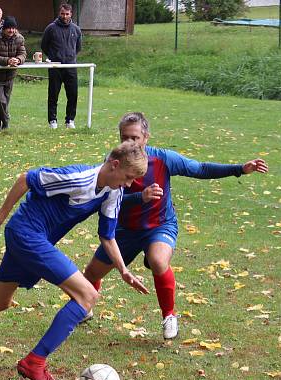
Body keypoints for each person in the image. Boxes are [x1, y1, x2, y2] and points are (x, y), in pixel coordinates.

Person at [0, 141, 150, 380]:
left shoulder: (113, 192)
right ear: (114, 164)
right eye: (129, 177)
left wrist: (123, 270)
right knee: (87, 294)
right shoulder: (78, 178)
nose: (130, 185)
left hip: (35, 239)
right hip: (26, 233)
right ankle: (35, 362)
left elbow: (107, 236)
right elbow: (26, 179)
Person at [82, 112, 269, 339]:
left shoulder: (164, 159)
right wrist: (140, 197)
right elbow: (106, 199)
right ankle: (85, 308)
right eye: (124, 137)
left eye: (135, 138)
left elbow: (200, 169)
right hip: (125, 229)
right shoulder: (113, 161)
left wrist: (240, 168)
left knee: (158, 260)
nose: (129, 143)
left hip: (160, 225)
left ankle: (169, 316)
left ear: (146, 137)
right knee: (92, 272)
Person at [41, 3, 81, 130]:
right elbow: (44, 45)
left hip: (71, 66)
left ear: (71, 14)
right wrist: (54, 56)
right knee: (53, 94)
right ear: (59, 13)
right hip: (55, 67)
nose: (65, 16)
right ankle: (52, 120)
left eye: (67, 14)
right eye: (62, 13)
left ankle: (70, 120)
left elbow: (78, 47)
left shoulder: (76, 29)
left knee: (73, 95)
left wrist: (70, 57)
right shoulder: (51, 28)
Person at [0, 16, 25, 132]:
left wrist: (18, 60)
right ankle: (6, 121)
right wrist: (7, 61)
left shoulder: (20, 38)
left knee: (3, 103)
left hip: (10, 76)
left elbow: (23, 53)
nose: (11, 31)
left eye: (13, 28)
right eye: (9, 28)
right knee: (0, 101)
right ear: (3, 28)